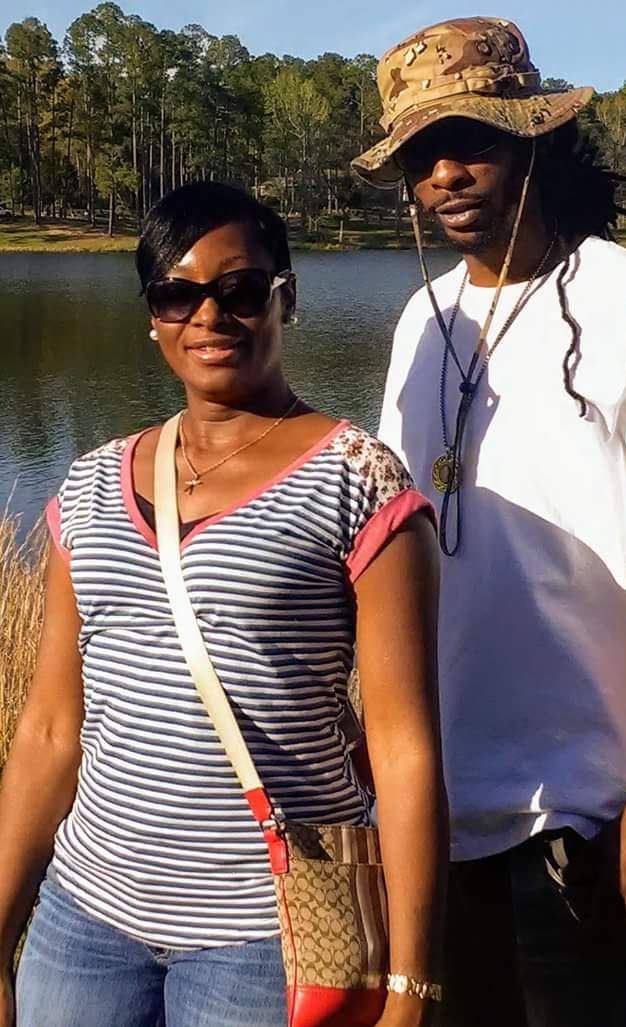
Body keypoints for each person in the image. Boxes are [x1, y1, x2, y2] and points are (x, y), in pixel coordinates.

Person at [0, 181, 447, 1027]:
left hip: (267, 936)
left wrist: (411, 986)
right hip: (84, 918)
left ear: (287, 297)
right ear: (153, 315)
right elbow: (51, 730)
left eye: (239, 289)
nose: (209, 315)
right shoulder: (90, 485)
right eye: (177, 293)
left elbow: (404, 749)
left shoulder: (360, 480)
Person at [352, 16, 626, 1027]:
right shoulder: (422, 324)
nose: (446, 173)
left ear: (530, 141)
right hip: (429, 820)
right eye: (422, 155)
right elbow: (390, 559)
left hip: (583, 824)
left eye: (469, 140)